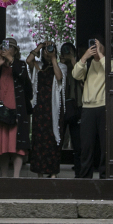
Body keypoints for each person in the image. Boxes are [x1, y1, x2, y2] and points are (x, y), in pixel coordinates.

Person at [0, 37, 33, 178]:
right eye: (3, 48)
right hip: (1, 112)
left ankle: (16, 176)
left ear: (15, 51)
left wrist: (11, 61)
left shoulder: (20, 64)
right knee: (3, 145)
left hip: (17, 112)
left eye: (9, 48)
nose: (5, 50)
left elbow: (23, 77)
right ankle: (4, 176)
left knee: (18, 146)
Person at [28, 41, 67, 178]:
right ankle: (39, 173)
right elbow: (28, 60)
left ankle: (53, 173)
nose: (47, 51)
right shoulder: (38, 66)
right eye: (45, 50)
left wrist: (53, 58)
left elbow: (59, 77)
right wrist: (39, 47)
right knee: (39, 140)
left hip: (54, 108)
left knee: (53, 139)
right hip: (40, 107)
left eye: (50, 49)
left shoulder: (61, 66)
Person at [72, 35, 107, 179]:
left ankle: (105, 176)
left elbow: (111, 73)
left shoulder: (110, 63)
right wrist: (84, 57)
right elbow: (75, 74)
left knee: (105, 145)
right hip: (88, 109)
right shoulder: (87, 64)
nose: (95, 48)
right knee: (86, 145)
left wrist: (101, 55)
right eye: (93, 45)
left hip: (104, 107)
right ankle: (85, 177)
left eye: (97, 45)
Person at [58, 42, 82, 172]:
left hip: (76, 107)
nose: (66, 54)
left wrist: (73, 60)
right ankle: (53, 169)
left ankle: (79, 170)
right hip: (61, 107)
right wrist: (61, 63)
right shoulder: (60, 67)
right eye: (64, 51)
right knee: (58, 140)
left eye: (69, 51)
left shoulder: (78, 65)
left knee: (77, 142)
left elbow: (81, 78)